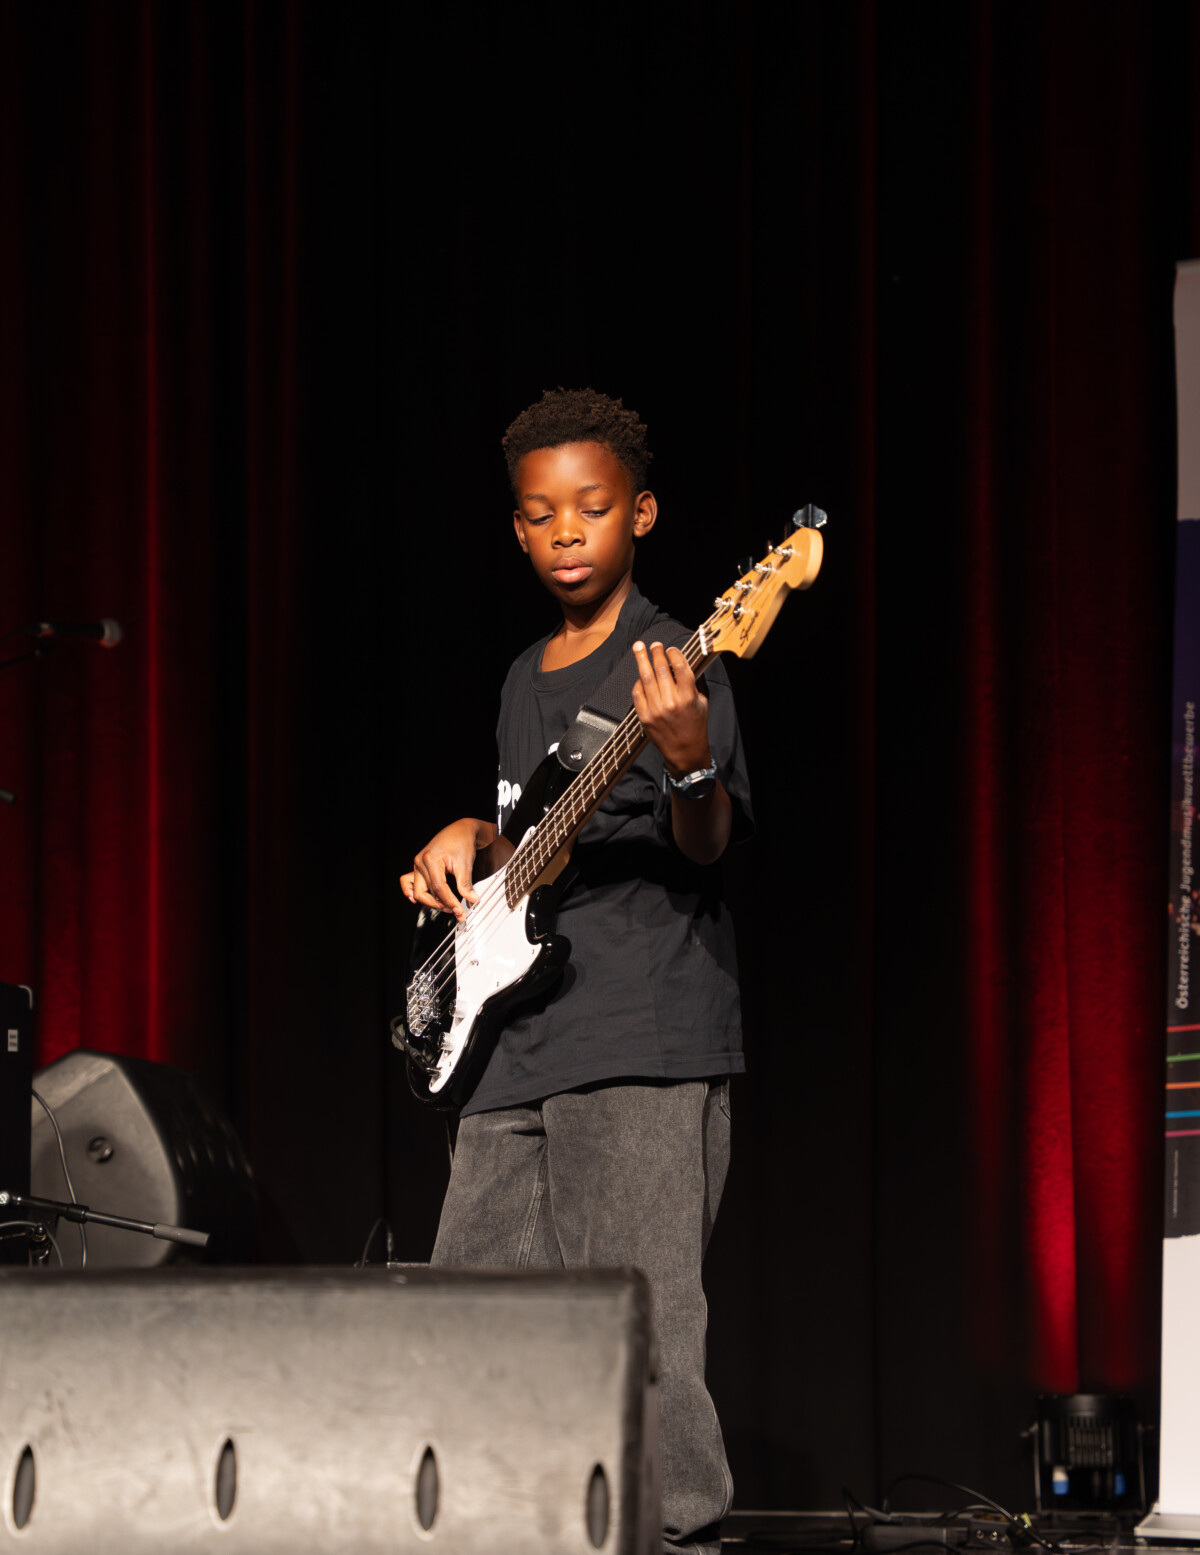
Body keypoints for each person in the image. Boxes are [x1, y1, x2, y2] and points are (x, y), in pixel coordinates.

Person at [401, 387, 752, 1555]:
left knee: (642, 1328)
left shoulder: (676, 658)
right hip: (512, 1043)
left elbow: (706, 845)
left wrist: (689, 763)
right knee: (468, 1315)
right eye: (542, 513)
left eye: (592, 508)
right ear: (516, 527)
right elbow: (528, 849)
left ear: (640, 513)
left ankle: (678, 1533)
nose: (566, 531)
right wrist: (472, 837)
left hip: (638, 1033)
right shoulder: (522, 678)